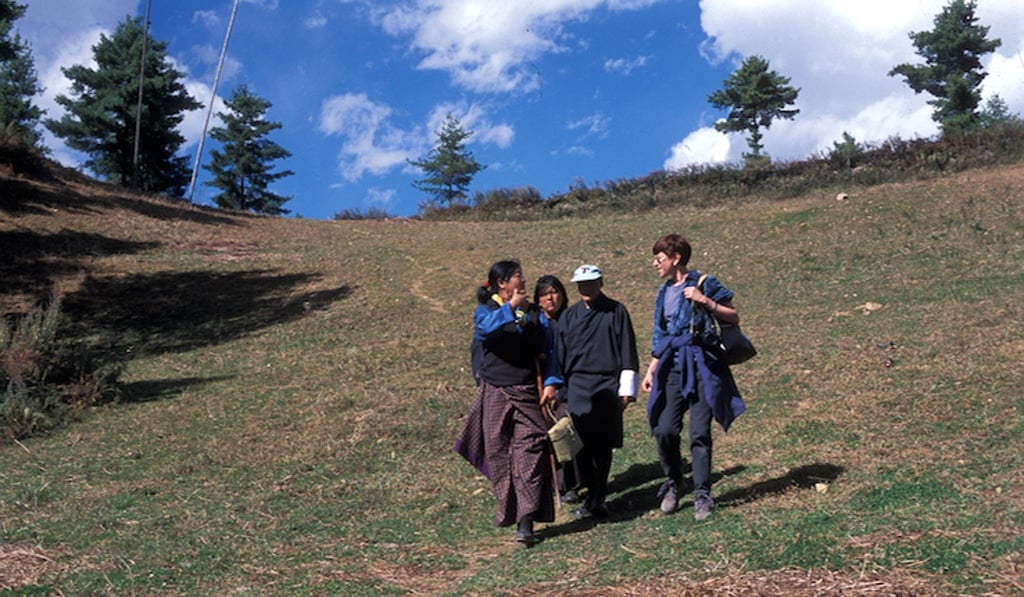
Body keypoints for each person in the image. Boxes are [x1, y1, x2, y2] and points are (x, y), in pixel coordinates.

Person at [454, 260, 561, 547]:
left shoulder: (536, 313)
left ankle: (526, 522)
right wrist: (510, 307)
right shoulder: (486, 311)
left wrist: (551, 382)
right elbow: (485, 332)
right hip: (495, 393)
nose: (524, 281)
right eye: (518, 277)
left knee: (532, 450)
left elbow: (549, 349)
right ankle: (512, 513)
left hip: (527, 392)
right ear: (503, 283)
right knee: (500, 455)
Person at [641, 234, 746, 521]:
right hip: (672, 368)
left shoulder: (704, 283)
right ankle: (675, 481)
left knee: (699, 433)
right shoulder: (663, 292)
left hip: (701, 366)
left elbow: (733, 316)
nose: (654, 264)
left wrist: (705, 301)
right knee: (664, 429)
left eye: (659, 259)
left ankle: (702, 494)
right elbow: (660, 335)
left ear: (676, 258)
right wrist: (651, 370)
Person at [556, 264, 639, 520]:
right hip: (577, 387)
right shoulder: (569, 316)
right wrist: (560, 390)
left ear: (600, 283)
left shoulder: (616, 311)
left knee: (602, 446)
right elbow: (560, 355)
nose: (587, 288)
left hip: (606, 386)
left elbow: (628, 350)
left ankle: (598, 498)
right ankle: (591, 493)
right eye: (582, 284)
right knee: (580, 446)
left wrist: (627, 390)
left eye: (591, 282)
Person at [533, 274, 582, 505]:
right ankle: (557, 485)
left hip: (570, 384)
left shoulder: (573, 318)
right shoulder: (535, 323)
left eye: (553, 292)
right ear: (538, 300)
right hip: (542, 386)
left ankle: (573, 484)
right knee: (550, 434)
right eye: (544, 294)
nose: (550, 298)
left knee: (567, 433)